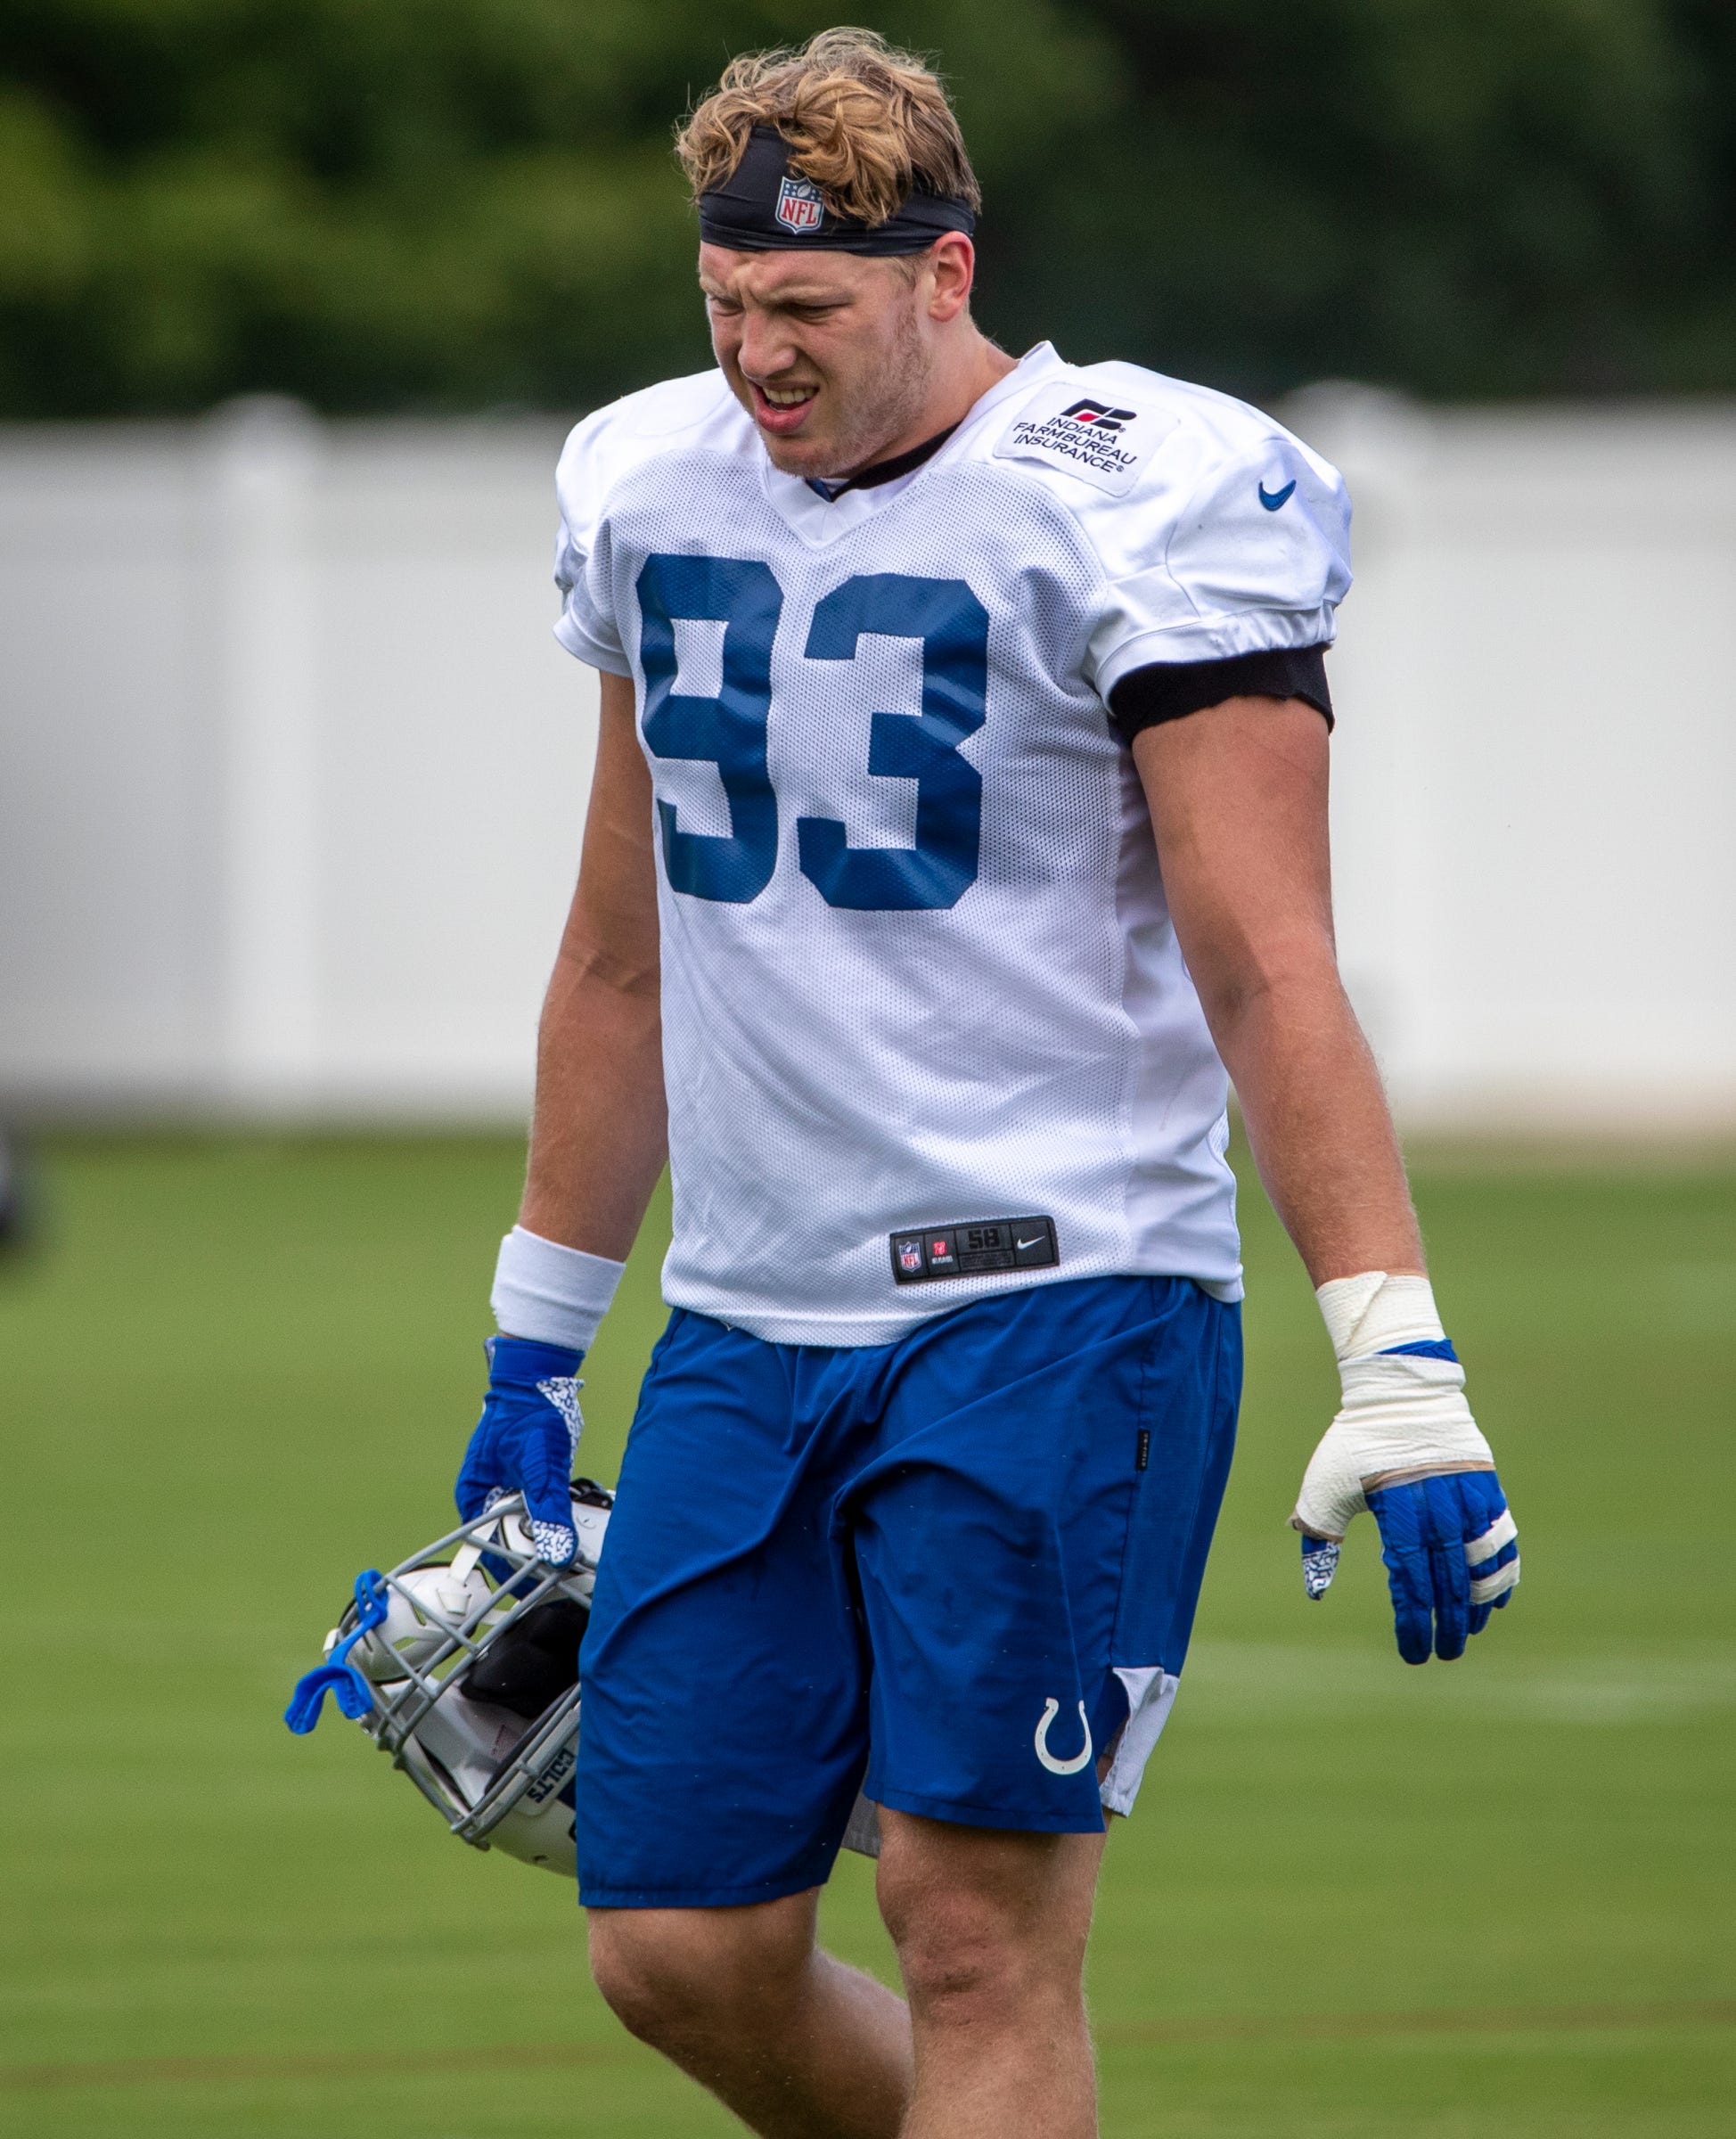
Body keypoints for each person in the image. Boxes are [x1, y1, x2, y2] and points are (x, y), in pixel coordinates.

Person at [454, 29, 1520, 2138]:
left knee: (967, 1924)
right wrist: (534, 1337)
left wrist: (1393, 1357)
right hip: (749, 1320)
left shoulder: (1143, 491)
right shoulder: (645, 480)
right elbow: (618, 940)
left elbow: (1261, 957)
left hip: (1058, 1300)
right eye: (726, 303)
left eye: (807, 309)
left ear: (944, 276)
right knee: (671, 1945)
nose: (756, 356)